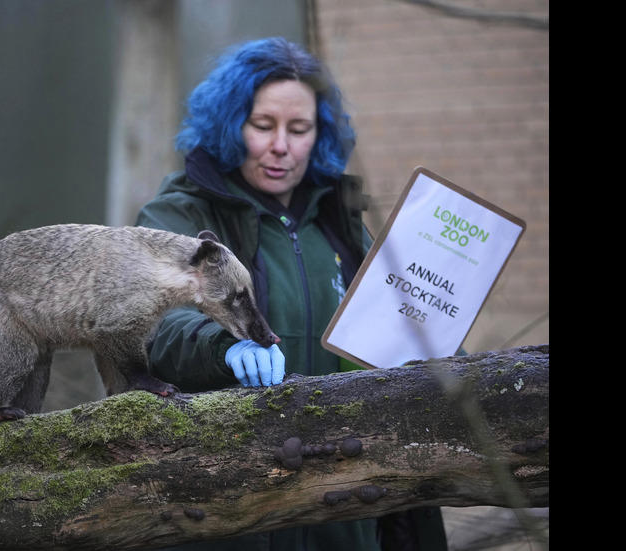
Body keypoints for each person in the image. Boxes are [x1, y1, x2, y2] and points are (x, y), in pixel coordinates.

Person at [136, 37, 447, 551]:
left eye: (299, 129)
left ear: (317, 136)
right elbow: (153, 326)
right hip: (227, 514)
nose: (281, 145)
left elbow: (396, 330)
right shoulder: (183, 215)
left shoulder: (340, 226)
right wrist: (223, 347)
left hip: (342, 517)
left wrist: (439, 340)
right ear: (231, 124)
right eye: (263, 126)